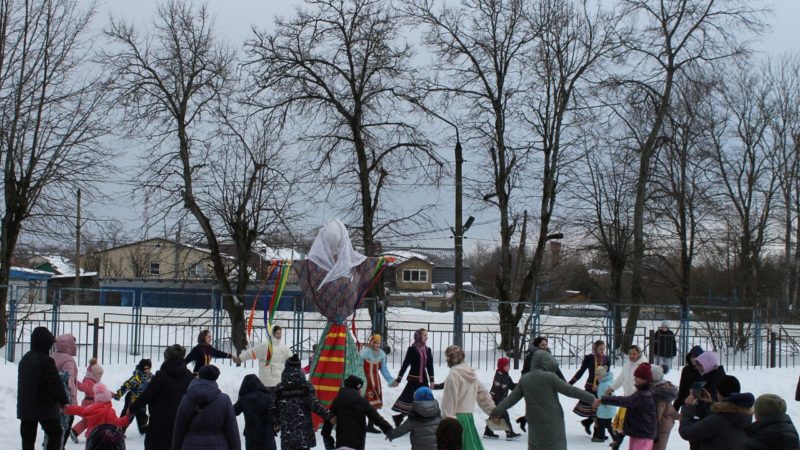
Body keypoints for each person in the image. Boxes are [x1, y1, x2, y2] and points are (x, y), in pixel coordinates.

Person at [491, 350, 597, 450]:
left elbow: (510, 399)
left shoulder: (525, 379)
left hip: (534, 425)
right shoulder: (551, 377)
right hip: (553, 424)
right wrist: (592, 399)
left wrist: (496, 411)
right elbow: (571, 390)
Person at [130, 344, 194, 450]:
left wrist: (131, 408)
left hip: (159, 425)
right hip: (181, 424)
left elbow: (146, 396)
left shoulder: (160, 377)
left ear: (166, 358)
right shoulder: (189, 376)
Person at [18, 326, 69, 450]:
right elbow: (55, 383)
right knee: (55, 433)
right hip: (44, 407)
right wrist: (64, 401)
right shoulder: (46, 361)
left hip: (26, 407)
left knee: (28, 439)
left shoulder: (25, 359)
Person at [439, 345, 496, 449]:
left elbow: (449, 399)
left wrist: (447, 421)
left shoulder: (453, 375)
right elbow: (482, 393)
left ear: (449, 359)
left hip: (456, 419)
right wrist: (492, 410)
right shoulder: (470, 373)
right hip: (468, 418)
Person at [173, 365, 241, 450]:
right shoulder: (224, 400)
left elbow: (179, 430)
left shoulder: (186, 399)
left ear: (199, 376)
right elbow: (232, 432)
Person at [273, 354, 332, 450]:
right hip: (304, 436)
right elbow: (315, 405)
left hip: (288, 437)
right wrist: (330, 416)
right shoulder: (307, 387)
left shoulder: (279, 388)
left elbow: (273, 409)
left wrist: (276, 423)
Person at [678, 375, 753, 450]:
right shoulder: (744, 415)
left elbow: (687, 432)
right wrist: (711, 404)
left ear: (720, 394)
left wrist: (688, 407)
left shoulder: (718, 420)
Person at [594, 362, 657, 450]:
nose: (634, 379)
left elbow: (626, 401)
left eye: (637, 377)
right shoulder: (643, 392)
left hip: (643, 435)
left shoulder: (644, 395)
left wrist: (603, 400)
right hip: (638, 432)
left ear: (644, 379)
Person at [321, 375, 393, 450]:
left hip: (341, 443)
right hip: (357, 443)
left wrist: (327, 437)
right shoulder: (361, 401)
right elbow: (376, 418)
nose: (361, 391)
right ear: (357, 388)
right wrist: (388, 430)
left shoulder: (337, 400)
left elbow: (329, 420)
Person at [606, 345, 648, 449]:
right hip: (627, 398)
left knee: (632, 423)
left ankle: (639, 443)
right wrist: (612, 388)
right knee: (623, 422)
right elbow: (621, 378)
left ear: (639, 354)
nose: (632, 356)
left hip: (637, 399)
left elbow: (646, 382)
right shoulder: (627, 365)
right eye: (630, 353)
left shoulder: (643, 365)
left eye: (634, 354)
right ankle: (617, 442)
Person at [392, 328, 435, 426]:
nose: (426, 338)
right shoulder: (412, 349)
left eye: (427, 336)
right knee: (410, 401)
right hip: (413, 380)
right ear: (419, 337)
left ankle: (402, 419)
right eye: (424, 335)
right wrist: (398, 379)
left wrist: (432, 380)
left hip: (423, 380)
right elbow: (405, 364)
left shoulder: (427, 350)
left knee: (424, 401)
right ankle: (403, 419)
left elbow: (430, 366)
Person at [569, 339, 610, 436]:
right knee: (595, 410)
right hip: (590, 387)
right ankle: (597, 433)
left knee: (599, 410)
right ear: (595, 349)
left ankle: (590, 425)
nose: (602, 351)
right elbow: (581, 371)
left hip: (601, 387)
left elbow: (607, 375)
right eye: (600, 349)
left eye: (603, 349)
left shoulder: (606, 359)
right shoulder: (589, 358)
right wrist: (571, 382)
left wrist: (606, 387)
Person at [359, 333, 398, 433]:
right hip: (366, 382)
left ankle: (370, 425)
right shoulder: (364, 353)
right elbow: (359, 368)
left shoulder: (381, 354)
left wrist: (390, 380)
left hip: (376, 382)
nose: (377, 345)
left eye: (379, 343)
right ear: (371, 342)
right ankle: (361, 424)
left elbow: (384, 369)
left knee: (374, 405)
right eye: (375, 343)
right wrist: (360, 381)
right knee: (364, 403)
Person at [64, 383, 131, 441]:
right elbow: (118, 422)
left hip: (91, 438)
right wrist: (127, 417)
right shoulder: (109, 411)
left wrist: (66, 408)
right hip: (104, 439)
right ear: (108, 399)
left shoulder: (90, 408)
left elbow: (78, 409)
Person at [234, 374, 276, 450]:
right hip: (268, 437)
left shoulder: (244, 400)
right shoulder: (268, 397)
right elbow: (275, 413)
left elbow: (233, 411)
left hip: (251, 439)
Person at [52, 333, 79, 448]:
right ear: (69, 345)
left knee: (54, 425)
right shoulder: (68, 361)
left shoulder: (52, 356)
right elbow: (69, 381)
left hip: (52, 396)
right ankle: (60, 446)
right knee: (66, 423)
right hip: (65, 399)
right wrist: (73, 401)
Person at [483, 357, 521, 440]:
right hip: (497, 401)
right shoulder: (498, 377)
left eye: (508, 365)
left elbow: (511, 386)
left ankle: (488, 432)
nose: (508, 367)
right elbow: (494, 389)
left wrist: (519, 386)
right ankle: (509, 433)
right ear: (501, 366)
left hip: (502, 400)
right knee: (505, 416)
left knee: (494, 416)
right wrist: (491, 399)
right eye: (506, 366)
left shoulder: (506, 376)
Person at [114, 358, 152, 435]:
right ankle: (119, 430)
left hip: (142, 400)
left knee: (142, 416)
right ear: (143, 368)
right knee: (128, 416)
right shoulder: (136, 378)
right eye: (147, 368)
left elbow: (155, 384)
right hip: (132, 400)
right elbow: (126, 386)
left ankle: (143, 428)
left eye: (150, 368)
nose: (149, 370)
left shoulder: (150, 377)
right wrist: (119, 394)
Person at [71, 358, 104, 441]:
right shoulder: (89, 381)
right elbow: (83, 387)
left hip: (91, 403)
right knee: (92, 420)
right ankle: (90, 436)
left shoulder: (95, 382)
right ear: (94, 374)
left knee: (86, 420)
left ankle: (74, 431)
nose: (100, 377)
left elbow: (103, 391)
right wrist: (76, 382)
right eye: (99, 375)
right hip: (89, 403)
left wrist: (112, 395)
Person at [650, 365, 678, 450]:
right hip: (664, 424)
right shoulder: (663, 387)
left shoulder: (659, 393)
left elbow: (656, 416)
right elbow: (669, 409)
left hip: (660, 427)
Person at [693, 350, 726, 418]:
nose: (699, 368)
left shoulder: (718, 381)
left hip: (713, 419)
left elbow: (714, 406)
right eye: (697, 366)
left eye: (701, 365)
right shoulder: (706, 377)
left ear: (709, 363)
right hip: (705, 418)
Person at [674, 346, 704, 411]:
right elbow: (682, 389)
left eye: (696, 356)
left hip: (701, 405)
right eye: (692, 356)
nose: (693, 359)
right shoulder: (686, 370)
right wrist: (675, 409)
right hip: (686, 403)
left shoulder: (704, 370)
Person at [592, 365, 618, 443]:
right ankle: (615, 438)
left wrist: (608, 395)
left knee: (601, 423)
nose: (596, 376)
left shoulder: (606, 384)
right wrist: (598, 388)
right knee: (607, 424)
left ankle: (601, 437)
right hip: (606, 408)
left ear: (602, 375)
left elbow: (610, 394)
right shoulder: (604, 382)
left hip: (606, 408)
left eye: (597, 374)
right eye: (596, 374)